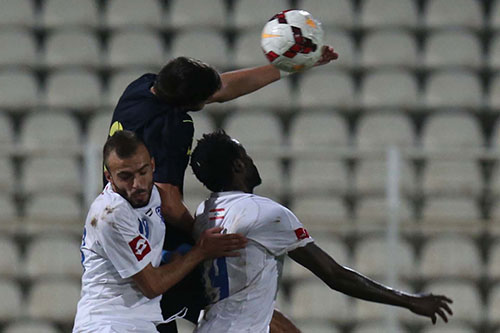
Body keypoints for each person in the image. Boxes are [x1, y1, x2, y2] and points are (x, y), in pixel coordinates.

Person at [107, 48, 338, 331]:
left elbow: (224, 86)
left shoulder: (142, 88)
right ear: (190, 103)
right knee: (251, 312)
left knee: (257, 315)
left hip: (129, 239)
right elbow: (167, 199)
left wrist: (288, 66)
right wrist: (203, 238)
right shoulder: (172, 126)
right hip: (154, 250)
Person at [189, 130, 454, 333]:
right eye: (245, 155)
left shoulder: (203, 214)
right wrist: (408, 300)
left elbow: (238, 293)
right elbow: (334, 275)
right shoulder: (265, 213)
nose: (250, 160)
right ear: (238, 165)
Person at [73, 130, 247, 332]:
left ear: (152, 165)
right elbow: (152, 286)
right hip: (109, 323)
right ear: (109, 177)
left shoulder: (154, 194)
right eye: (126, 177)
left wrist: (169, 256)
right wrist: (201, 251)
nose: (137, 184)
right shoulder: (110, 215)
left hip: (140, 323)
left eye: (143, 172)